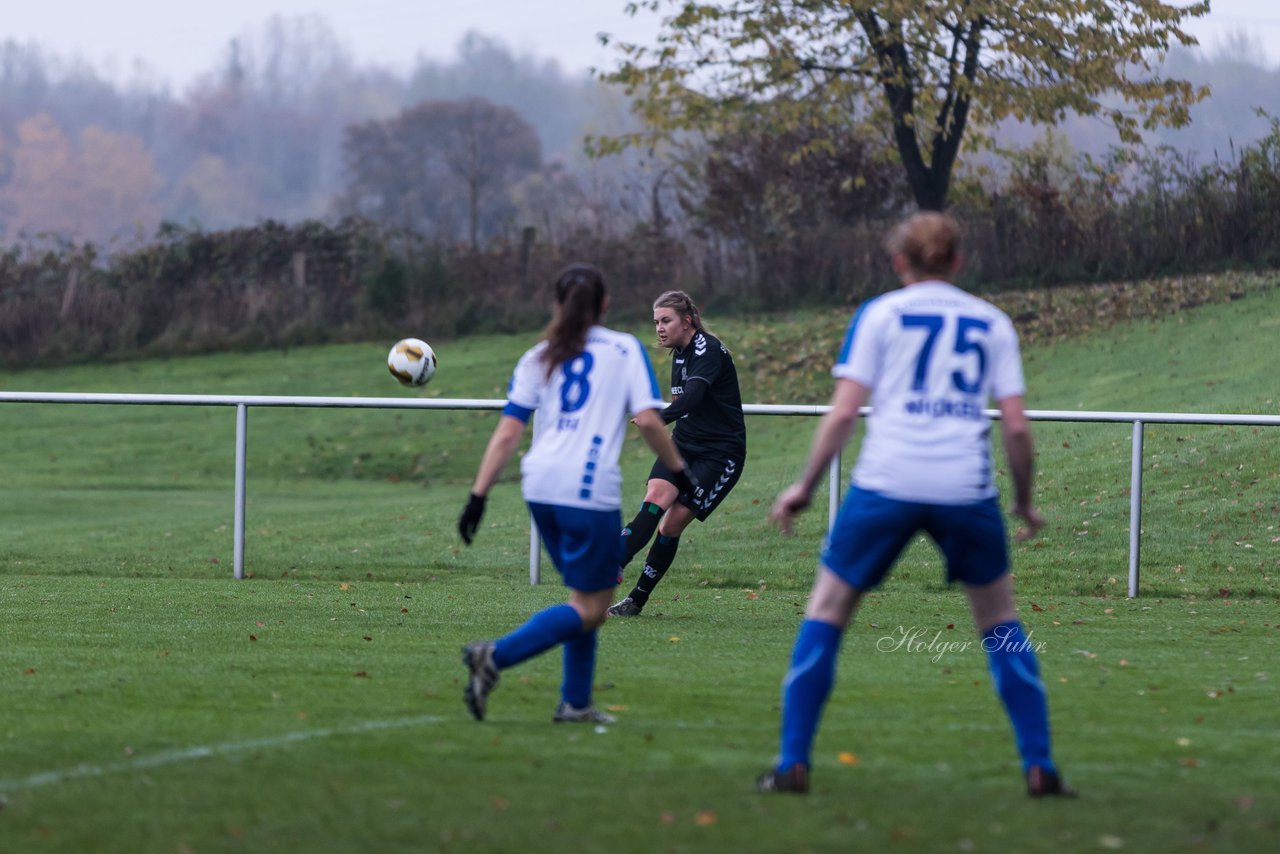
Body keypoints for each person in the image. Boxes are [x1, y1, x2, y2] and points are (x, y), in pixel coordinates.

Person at [756, 212, 1074, 798]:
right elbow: (1018, 429)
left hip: (887, 483)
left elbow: (846, 412)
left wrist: (802, 487)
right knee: (1000, 622)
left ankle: (793, 762)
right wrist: (1025, 502)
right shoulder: (992, 322)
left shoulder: (878, 315)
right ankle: (1040, 766)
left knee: (826, 611)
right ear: (957, 262)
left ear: (900, 262)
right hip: (965, 488)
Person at [456, 263, 697, 724]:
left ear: (557, 305)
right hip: (587, 491)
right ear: (605, 304)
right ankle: (494, 657)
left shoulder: (538, 355)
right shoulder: (624, 349)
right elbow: (649, 420)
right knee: (591, 608)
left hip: (540, 487)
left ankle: (576, 702)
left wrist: (478, 495)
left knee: (583, 596)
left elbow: (508, 433)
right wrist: (678, 468)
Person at [607, 291, 747, 617]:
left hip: (720, 456)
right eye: (656, 321)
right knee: (656, 496)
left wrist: (657, 419)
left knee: (670, 527)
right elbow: (684, 406)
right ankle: (613, 562)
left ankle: (636, 600)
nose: (659, 328)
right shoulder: (679, 353)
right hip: (683, 444)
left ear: (687, 321)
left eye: (665, 320)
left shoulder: (707, 350)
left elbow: (694, 398)